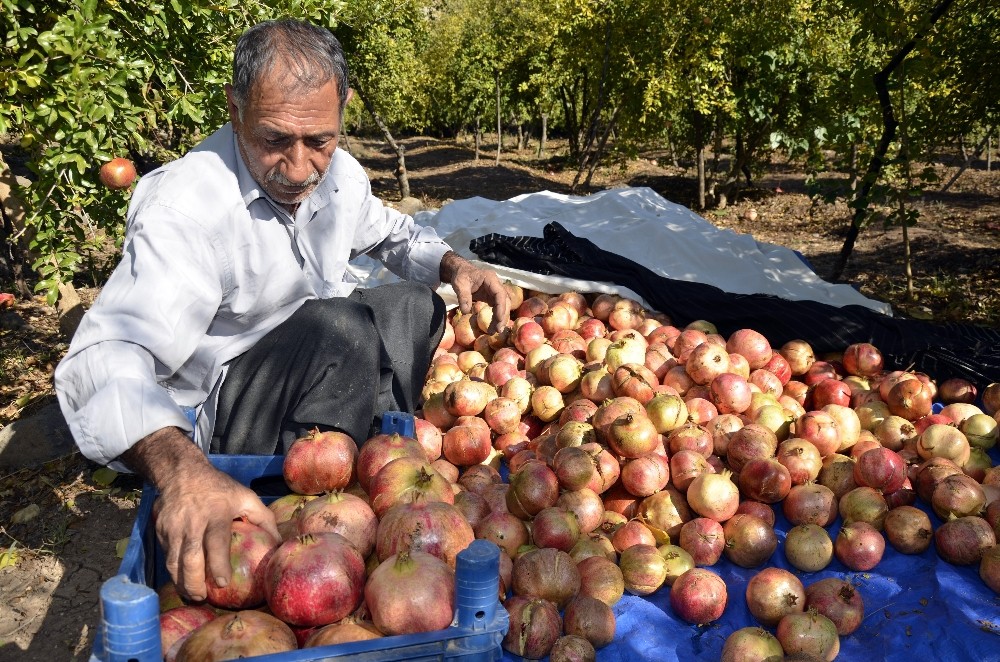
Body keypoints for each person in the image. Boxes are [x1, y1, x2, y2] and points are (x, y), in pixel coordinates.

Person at [54, 18, 510, 602]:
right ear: (235, 109)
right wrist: (182, 472)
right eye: (274, 141)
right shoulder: (187, 209)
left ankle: (372, 474)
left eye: (319, 140)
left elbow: (389, 233)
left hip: (306, 363)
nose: (299, 169)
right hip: (222, 413)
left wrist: (453, 266)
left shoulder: (337, 173)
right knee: (341, 329)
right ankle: (307, 521)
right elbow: (105, 355)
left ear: (342, 109)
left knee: (412, 306)